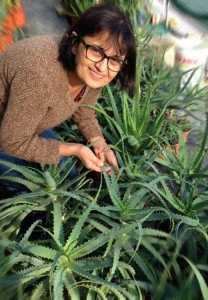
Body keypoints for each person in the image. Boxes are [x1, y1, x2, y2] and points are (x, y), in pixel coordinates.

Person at [0, 3, 136, 195]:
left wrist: (101, 146)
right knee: (33, 195)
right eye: (97, 50)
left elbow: (84, 111)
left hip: (26, 123)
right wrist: (75, 149)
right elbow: (11, 141)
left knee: (70, 180)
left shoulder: (90, 72)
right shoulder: (39, 75)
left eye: (114, 60)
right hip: (8, 134)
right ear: (74, 43)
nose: (103, 67)